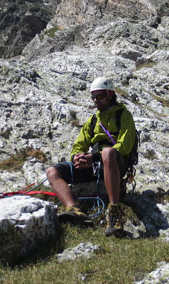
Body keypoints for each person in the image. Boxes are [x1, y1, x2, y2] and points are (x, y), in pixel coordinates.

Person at [46, 77, 136, 236]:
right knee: (52, 172)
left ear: (110, 94)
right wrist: (77, 158)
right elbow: (79, 144)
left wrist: (94, 157)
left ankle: (114, 212)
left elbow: (124, 147)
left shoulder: (124, 115)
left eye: (100, 96)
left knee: (108, 152)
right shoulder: (93, 120)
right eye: (93, 97)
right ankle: (75, 211)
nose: (96, 100)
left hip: (115, 163)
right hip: (95, 164)